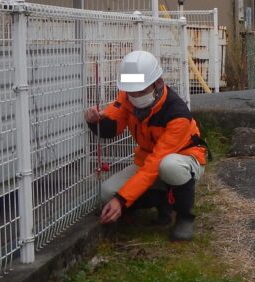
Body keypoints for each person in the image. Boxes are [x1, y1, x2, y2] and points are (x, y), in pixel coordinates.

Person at [85, 50, 207, 240]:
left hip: (184, 159)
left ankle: (185, 217)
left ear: (158, 83)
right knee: (107, 192)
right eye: (131, 91)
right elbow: (112, 127)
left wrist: (121, 200)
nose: (135, 95)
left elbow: (154, 165)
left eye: (141, 91)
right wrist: (95, 121)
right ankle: (162, 200)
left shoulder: (177, 114)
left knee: (169, 166)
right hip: (147, 160)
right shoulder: (127, 97)